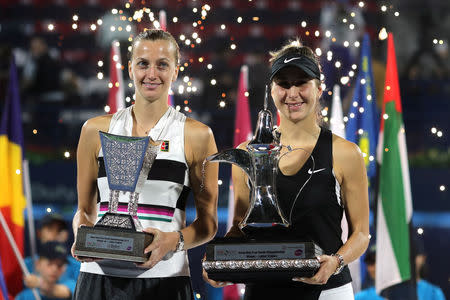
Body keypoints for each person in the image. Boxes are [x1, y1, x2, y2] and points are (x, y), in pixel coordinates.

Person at [204, 39, 370, 300]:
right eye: (284, 84)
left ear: (318, 88)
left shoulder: (345, 153)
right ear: (271, 90)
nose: (292, 94)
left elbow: (361, 234)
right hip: (263, 291)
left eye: (301, 82)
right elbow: (238, 226)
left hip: (327, 291)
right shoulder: (247, 152)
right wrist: (221, 262)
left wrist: (336, 261)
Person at [71, 29, 218, 300]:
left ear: (175, 71)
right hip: (97, 280)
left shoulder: (197, 136)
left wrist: (173, 241)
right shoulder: (94, 130)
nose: (152, 74)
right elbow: (84, 210)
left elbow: (208, 222)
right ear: (130, 68)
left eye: (162, 64)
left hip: (165, 280)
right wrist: (82, 234)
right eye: (143, 63)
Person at [25, 214, 80, 282]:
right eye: (50, 229)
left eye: (60, 230)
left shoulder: (77, 267)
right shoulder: (25, 265)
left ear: (66, 235)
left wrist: (39, 283)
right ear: (39, 233)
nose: (55, 234)